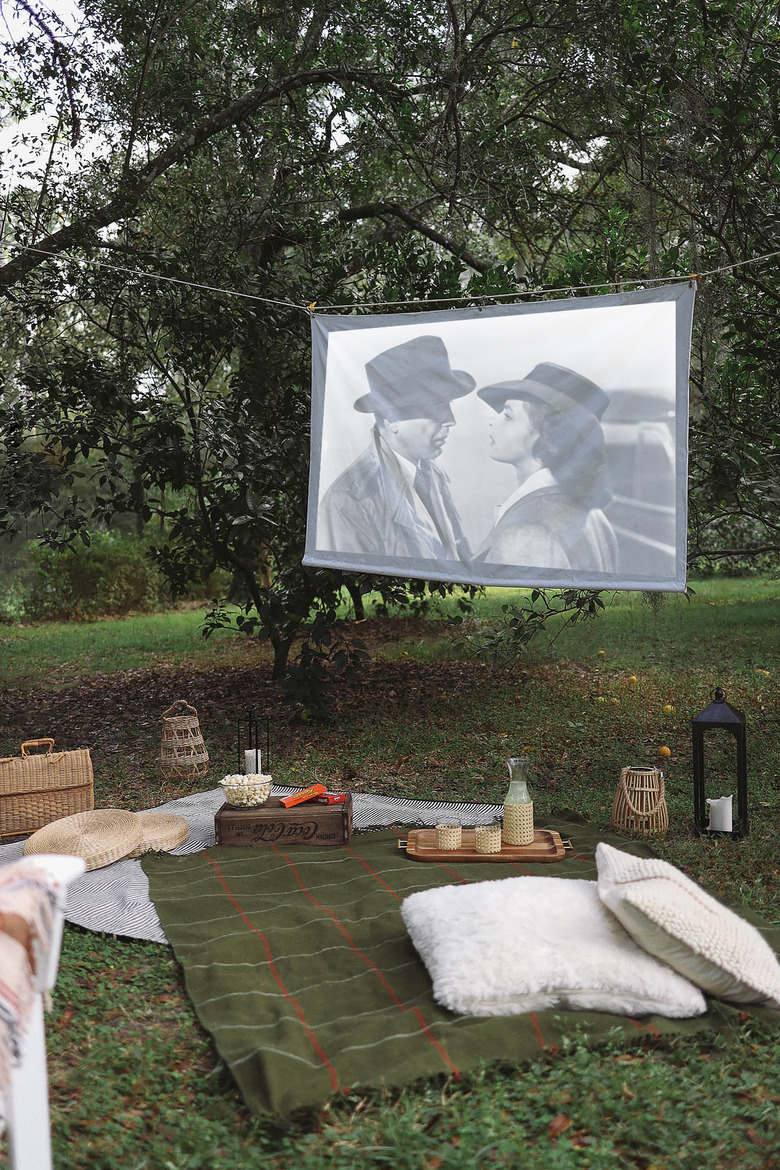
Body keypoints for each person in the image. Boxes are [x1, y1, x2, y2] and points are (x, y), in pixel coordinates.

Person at [317, 335, 474, 563]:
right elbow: (351, 577)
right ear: (391, 419)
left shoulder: (431, 473)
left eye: (448, 405)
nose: (451, 420)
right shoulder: (349, 499)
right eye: (436, 408)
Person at [475, 362, 618, 572]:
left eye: (507, 416)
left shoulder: (527, 533)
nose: (492, 421)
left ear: (544, 433)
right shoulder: (594, 515)